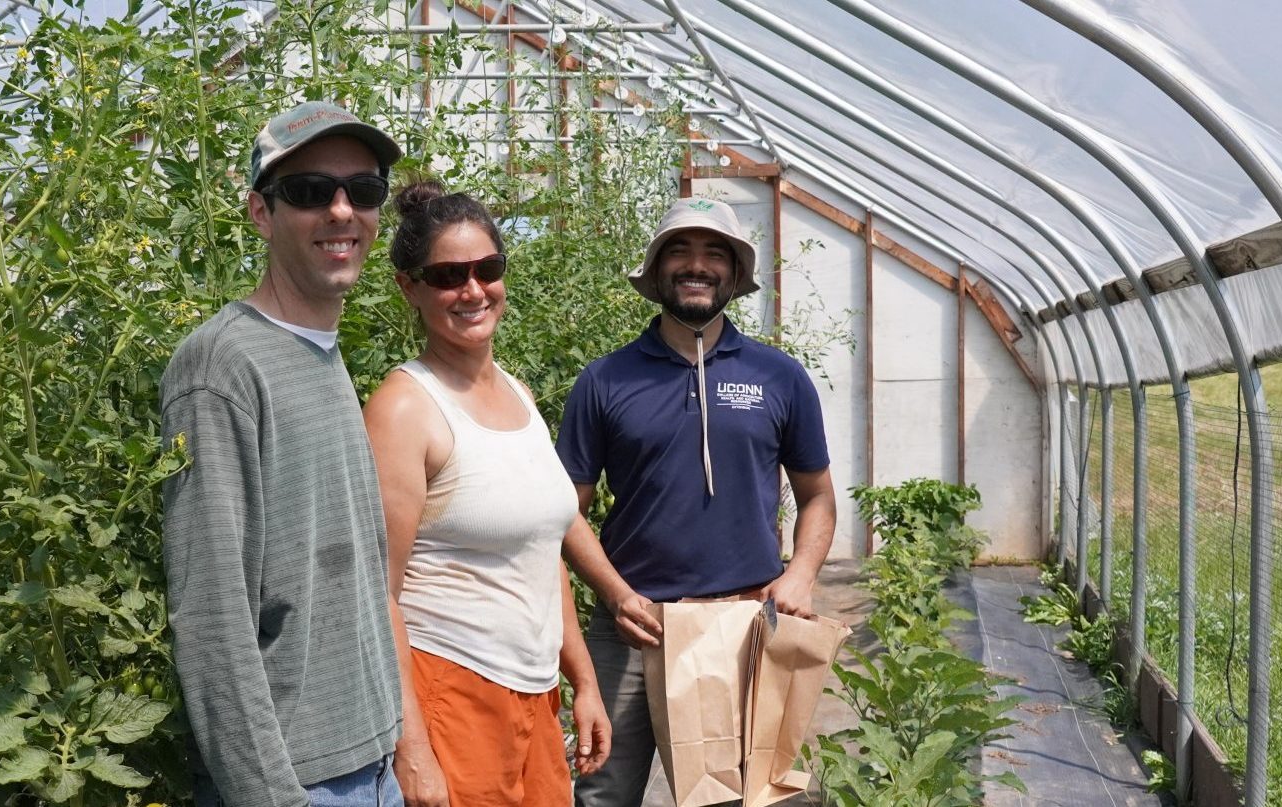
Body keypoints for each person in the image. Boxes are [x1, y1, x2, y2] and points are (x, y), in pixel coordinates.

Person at [160, 100, 406, 807]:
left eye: (362, 191)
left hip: (370, 763)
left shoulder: (322, 352)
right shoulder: (222, 366)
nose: (340, 212)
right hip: (300, 781)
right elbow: (211, 615)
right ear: (260, 213)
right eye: (307, 191)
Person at [556, 197, 837, 807]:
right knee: (601, 793)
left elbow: (817, 497)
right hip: (632, 628)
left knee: (740, 796)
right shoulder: (605, 381)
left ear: (735, 275)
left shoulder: (778, 377)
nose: (697, 266)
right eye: (679, 251)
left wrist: (801, 575)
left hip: (740, 624)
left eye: (716, 254)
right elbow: (562, 512)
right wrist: (615, 594)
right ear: (657, 271)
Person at [361, 182, 615, 807]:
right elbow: (377, 594)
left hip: (532, 692)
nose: (472, 290)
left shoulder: (518, 393)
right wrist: (412, 752)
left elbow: (540, 547)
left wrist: (582, 679)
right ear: (408, 287)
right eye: (448, 275)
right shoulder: (404, 410)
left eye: (487, 268)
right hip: (450, 687)